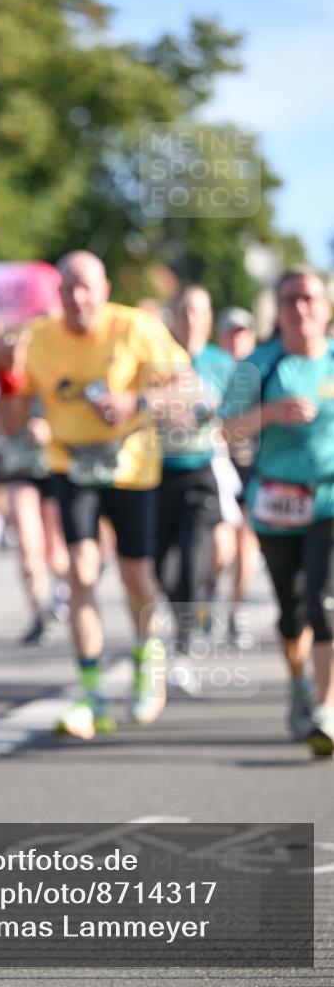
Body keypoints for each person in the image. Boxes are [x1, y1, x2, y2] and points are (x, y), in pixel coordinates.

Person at [0, 251, 192, 738]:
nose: (78, 298)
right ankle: (91, 695)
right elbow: (12, 422)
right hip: (72, 465)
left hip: (131, 467)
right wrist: (9, 376)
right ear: (58, 294)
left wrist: (135, 400)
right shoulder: (38, 337)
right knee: (80, 572)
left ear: (105, 289)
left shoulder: (135, 327)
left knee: (136, 576)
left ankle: (148, 658)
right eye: (68, 289)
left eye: (87, 287)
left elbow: (188, 388)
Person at [222, 267, 334, 752]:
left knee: (324, 604)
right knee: (292, 613)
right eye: (290, 300)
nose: (301, 308)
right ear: (278, 309)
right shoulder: (258, 366)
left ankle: (326, 709)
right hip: (275, 505)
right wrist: (270, 413)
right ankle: (298, 685)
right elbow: (225, 431)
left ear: (326, 308)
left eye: (310, 299)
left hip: (329, 499)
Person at [155, 286, 235, 680]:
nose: (190, 319)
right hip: (157, 473)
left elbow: (239, 417)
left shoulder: (223, 364)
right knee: (160, 568)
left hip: (202, 471)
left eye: (198, 311)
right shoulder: (156, 357)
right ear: (173, 315)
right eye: (184, 310)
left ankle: (184, 642)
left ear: (208, 317)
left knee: (193, 556)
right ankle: (189, 609)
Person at [0, 364, 70, 645]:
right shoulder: (7, 379)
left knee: (56, 551)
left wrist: (52, 430)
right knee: (27, 543)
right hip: (19, 467)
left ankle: (64, 593)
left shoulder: (57, 367)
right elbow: (3, 424)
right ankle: (39, 613)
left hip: (55, 466)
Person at [211, 307, 259, 640]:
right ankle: (209, 588)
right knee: (221, 548)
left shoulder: (263, 369)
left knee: (246, 547)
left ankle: (235, 612)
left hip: (252, 467)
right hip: (217, 467)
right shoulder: (211, 369)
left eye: (242, 333)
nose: (236, 339)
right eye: (231, 332)